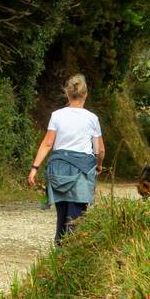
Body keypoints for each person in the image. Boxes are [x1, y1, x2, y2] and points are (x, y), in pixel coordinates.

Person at [27, 74, 103, 245]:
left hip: (59, 170)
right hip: (82, 171)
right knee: (77, 218)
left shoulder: (57, 115)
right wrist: (98, 165)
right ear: (85, 94)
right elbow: (100, 149)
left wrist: (34, 168)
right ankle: (71, 254)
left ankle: (59, 250)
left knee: (62, 216)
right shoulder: (92, 119)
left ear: (67, 94)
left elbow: (47, 143)